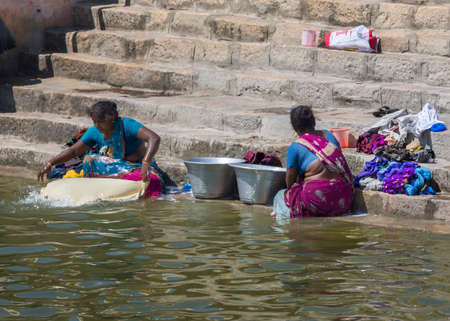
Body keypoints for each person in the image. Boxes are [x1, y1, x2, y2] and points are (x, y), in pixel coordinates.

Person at [37, 100, 162, 196]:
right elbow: (74, 150)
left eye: (100, 121)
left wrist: (145, 162)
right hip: (114, 168)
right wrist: (50, 163)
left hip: (137, 166)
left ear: (112, 117)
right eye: (94, 121)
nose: (97, 125)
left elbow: (154, 138)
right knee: (89, 160)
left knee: (152, 181)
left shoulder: (127, 124)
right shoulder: (94, 131)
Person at [271, 106, 354, 221]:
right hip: (344, 199)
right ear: (314, 122)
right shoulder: (329, 136)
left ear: (295, 128)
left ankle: (283, 221)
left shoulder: (295, 147)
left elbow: (290, 183)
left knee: (280, 196)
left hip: (317, 203)